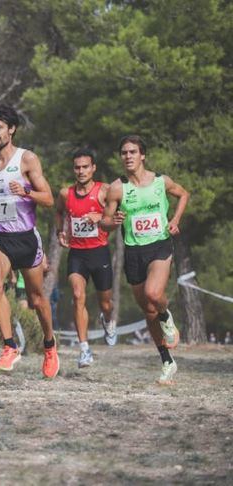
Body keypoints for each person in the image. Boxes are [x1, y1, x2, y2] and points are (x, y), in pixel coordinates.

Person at [0, 104, 59, 378]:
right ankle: (9, 347)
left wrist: (27, 192)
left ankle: (50, 345)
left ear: (11, 129)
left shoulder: (27, 160)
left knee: (36, 298)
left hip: (26, 239)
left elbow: (49, 199)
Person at [101, 135, 189, 385]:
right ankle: (167, 361)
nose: (127, 156)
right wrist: (112, 222)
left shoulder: (161, 181)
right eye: (124, 153)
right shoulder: (117, 187)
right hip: (134, 252)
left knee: (153, 294)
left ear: (142, 155)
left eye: (132, 152)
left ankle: (167, 315)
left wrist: (175, 220)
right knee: (148, 311)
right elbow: (104, 222)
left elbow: (183, 194)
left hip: (159, 246)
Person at [55, 148, 117, 369]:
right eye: (77, 167)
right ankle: (84, 350)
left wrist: (100, 217)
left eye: (85, 167)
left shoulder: (105, 191)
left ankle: (108, 320)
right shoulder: (66, 193)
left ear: (93, 168)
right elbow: (59, 211)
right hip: (77, 254)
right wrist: (60, 232)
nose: (81, 171)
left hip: (99, 252)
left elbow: (117, 217)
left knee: (106, 303)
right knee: (77, 294)